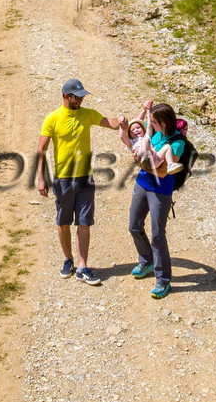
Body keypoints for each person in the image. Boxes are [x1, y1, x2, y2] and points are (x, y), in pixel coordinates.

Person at [35, 77, 126, 286]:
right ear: (67, 96)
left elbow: (110, 123)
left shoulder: (87, 114)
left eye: (82, 96)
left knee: (84, 223)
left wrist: (120, 121)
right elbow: (41, 150)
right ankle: (68, 259)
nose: (81, 100)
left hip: (85, 178)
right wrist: (41, 178)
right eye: (77, 97)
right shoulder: (53, 118)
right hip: (63, 180)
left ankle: (83, 267)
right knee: (63, 222)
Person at [128, 101, 186, 300]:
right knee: (134, 226)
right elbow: (136, 135)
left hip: (161, 191)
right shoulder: (155, 132)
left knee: (157, 235)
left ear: (163, 122)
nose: (150, 124)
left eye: (153, 121)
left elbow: (163, 173)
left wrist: (140, 163)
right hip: (142, 184)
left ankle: (163, 279)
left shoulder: (178, 143)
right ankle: (147, 260)